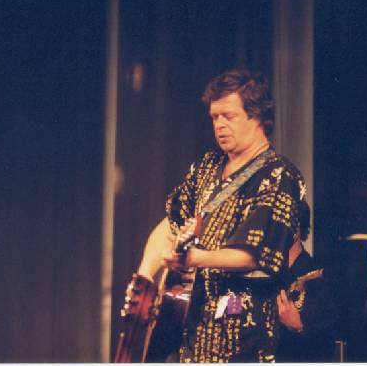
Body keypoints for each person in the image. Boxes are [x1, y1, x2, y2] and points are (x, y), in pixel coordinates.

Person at [133, 68, 307, 362]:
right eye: (214, 117)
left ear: (257, 117)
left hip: (241, 339)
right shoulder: (207, 166)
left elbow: (254, 255)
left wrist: (196, 258)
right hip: (192, 332)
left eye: (229, 116)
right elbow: (172, 221)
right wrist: (145, 278)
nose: (220, 125)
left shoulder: (280, 176)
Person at [276, 202, 338, 361]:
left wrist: (298, 327)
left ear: (297, 226)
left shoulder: (317, 278)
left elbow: (326, 347)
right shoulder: (261, 272)